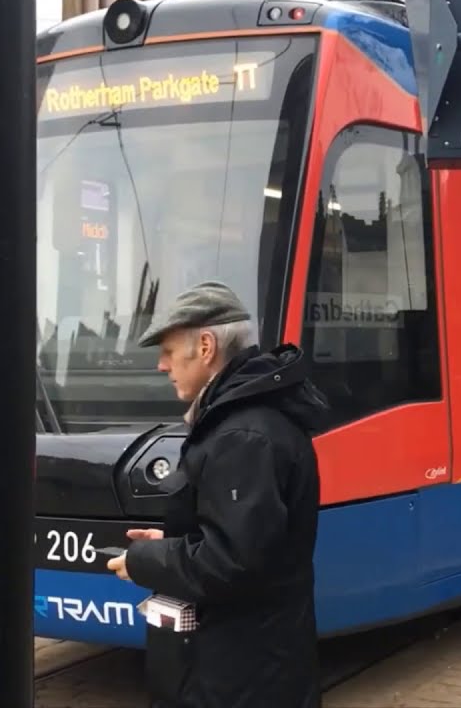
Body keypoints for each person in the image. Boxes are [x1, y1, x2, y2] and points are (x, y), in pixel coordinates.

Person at [105, 281, 327, 708]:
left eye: (169, 351)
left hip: (240, 677)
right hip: (255, 665)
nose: (162, 365)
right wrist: (173, 543)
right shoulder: (248, 422)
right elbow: (241, 539)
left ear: (205, 347)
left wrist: (145, 561)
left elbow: (233, 562)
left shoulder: (241, 436)